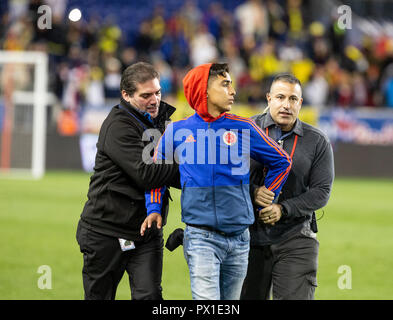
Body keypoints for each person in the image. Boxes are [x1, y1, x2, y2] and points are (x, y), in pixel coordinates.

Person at [140, 63, 292, 300]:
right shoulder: (176, 131)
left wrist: (268, 193)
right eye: (225, 84)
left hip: (241, 239)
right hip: (200, 237)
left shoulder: (244, 127)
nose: (233, 91)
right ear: (204, 91)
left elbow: (282, 161)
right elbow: (155, 175)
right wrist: (154, 208)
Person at [76, 62, 180, 300]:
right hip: (106, 231)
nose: (154, 100)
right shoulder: (118, 125)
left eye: (157, 93)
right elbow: (146, 174)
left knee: (151, 297)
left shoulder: (158, 122)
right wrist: (182, 158)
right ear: (126, 94)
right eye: (146, 95)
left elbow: (172, 175)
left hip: (147, 231)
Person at [241, 73, 334, 300]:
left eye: (293, 99)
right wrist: (253, 192)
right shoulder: (244, 131)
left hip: (295, 238)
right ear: (269, 98)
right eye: (280, 97)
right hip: (246, 238)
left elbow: (321, 191)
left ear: (300, 103)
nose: (286, 104)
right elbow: (224, 178)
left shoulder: (317, 141)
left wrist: (284, 209)